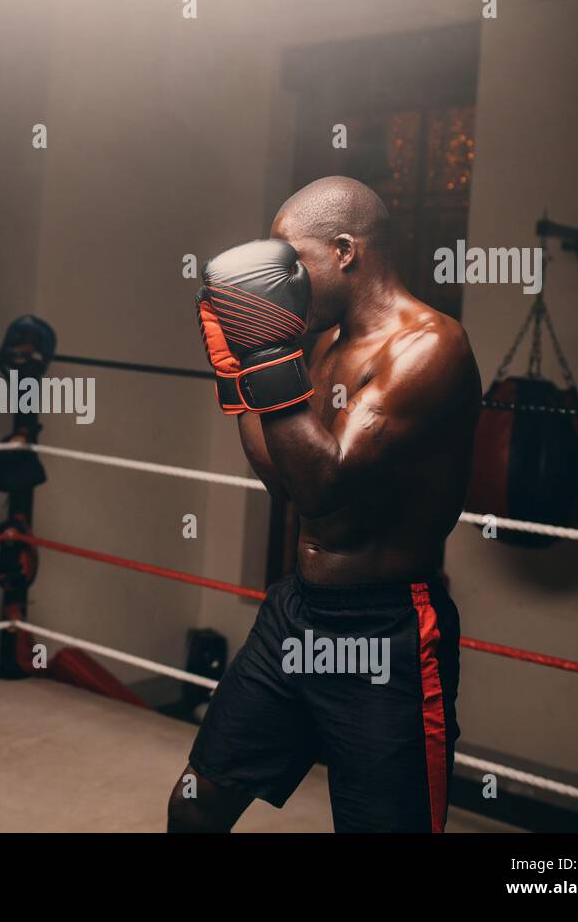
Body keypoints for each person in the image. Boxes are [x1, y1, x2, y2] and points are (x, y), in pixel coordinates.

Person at [169, 176, 481, 832]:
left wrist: (265, 353)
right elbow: (284, 481)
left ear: (344, 250)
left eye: (291, 258)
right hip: (297, 613)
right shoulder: (325, 347)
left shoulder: (430, 347)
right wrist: (237, 373)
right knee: (195, 807)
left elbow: (324, 484)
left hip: (386, 632)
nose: (279, 277)